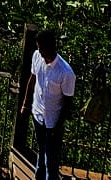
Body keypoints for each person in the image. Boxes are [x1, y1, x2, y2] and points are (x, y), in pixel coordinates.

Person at [20, 30, 75, 180]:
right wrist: (26, 103)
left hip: (53, 120)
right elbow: (32, 79)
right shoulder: (37, 56)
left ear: (50, 46)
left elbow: (68, 102)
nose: (39, 51)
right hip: (38, 114)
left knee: (51, 157)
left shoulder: (65, 72)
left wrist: (57, 127)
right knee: (41, 149)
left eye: (41, 48)